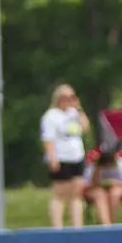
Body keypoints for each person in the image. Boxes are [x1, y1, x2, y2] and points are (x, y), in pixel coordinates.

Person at [41, 85, 90, 228]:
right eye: (66, 98)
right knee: (60, 193)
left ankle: (77, 225)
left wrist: (78, 109)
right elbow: (48, 139)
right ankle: (58, 226)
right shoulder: (51, 116)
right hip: (61, 157)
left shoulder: (74, 114)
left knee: (77, 193)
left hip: (76, 156)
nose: (69, 101)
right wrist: (52, 158)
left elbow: (85, 127)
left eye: (72, 97)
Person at [83, 148, 122, 226]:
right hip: (96, 189)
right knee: (100, 195)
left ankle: (111, 223)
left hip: (118, 187)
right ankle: (105, 223)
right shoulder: (93, 164)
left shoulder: (121, 163)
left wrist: (115, 183)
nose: (107, 164)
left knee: (115, 193)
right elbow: (85, 185)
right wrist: (98, 171)